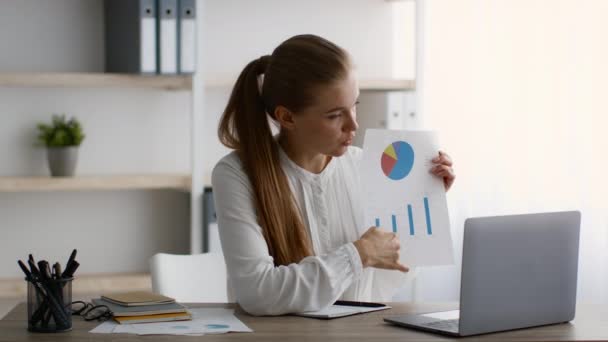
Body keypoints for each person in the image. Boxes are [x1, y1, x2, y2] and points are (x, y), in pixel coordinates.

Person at [211, 34, 455, 316]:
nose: (354, 124)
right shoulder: (236, 175)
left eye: (354, 105)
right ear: (287, 117)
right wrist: (359, 254)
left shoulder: (365, 164)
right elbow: (259, 293)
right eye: (334, 115)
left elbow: (384, 281)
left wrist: (425, 203)